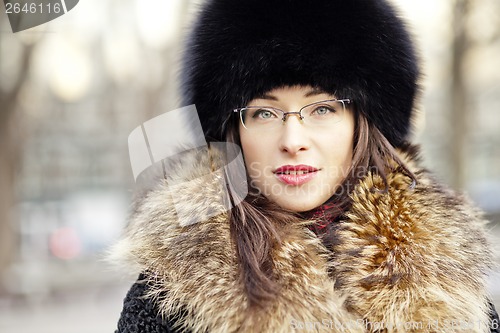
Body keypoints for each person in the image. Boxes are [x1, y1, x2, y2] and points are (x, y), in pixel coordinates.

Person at [112, 0, 499, 332]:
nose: (292, 140)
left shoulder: (450, 286)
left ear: (361, 125)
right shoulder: (169, 298)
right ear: (233, 132)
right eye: (264, 112)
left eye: (323, 108)